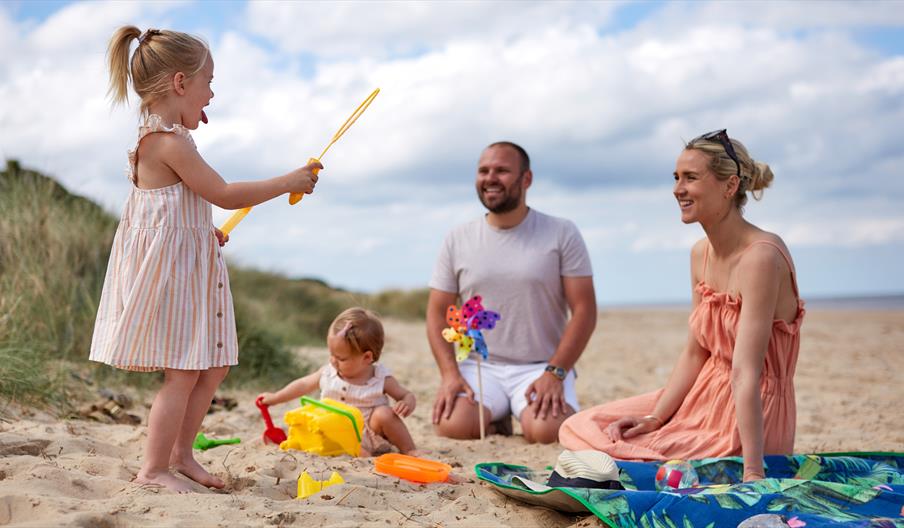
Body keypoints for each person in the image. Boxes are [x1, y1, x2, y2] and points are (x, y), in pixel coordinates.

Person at [90, 26, 321, 493]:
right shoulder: (164, 142)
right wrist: (288, 182)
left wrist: (200, 230)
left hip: (186, 265)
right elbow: (223, 192)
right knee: (183, 371)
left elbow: (173, 207)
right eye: (208, 82)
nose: (212, 93)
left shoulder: (172, 138)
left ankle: (181, 454)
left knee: (211, 365)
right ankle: (153, 469)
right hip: (171, 277)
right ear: (180, 83)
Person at [559, 130, 805, 481]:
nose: (678, 189)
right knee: (580, 427)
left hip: (750, 411)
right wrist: (656, 417)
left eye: (691, 178)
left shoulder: (762, 256)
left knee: (645, 468)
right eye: (676, 178)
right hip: (701, 396)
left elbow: (745, 371)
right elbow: (695, 352)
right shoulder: (699, 254)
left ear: (730, 185)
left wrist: (753, 471)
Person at [427, 141, 597, 444]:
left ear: (526, 179)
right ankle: (497, 418)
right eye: (483, 171)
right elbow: (437, 312)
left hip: (541, 365)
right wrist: (450, 375)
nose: (490, 178)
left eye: (502, 170)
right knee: (453, 425)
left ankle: (515, 410)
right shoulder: (457, 238)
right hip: (480, 365)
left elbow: (584, 310)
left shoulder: (561, 232)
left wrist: (555, 373)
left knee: (547, 432)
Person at [258, 307, 418, 456]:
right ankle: (355, 453)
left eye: (341, 358)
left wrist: (406, 403)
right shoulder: (329, 373)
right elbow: (303, 385)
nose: (333, 361)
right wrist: (275, 397)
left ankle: (409, 450)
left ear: (367, 357)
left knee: (384, 413)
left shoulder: (379, 378)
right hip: (332, 432)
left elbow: (406, 395)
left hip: (367, 434)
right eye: (331, 354)